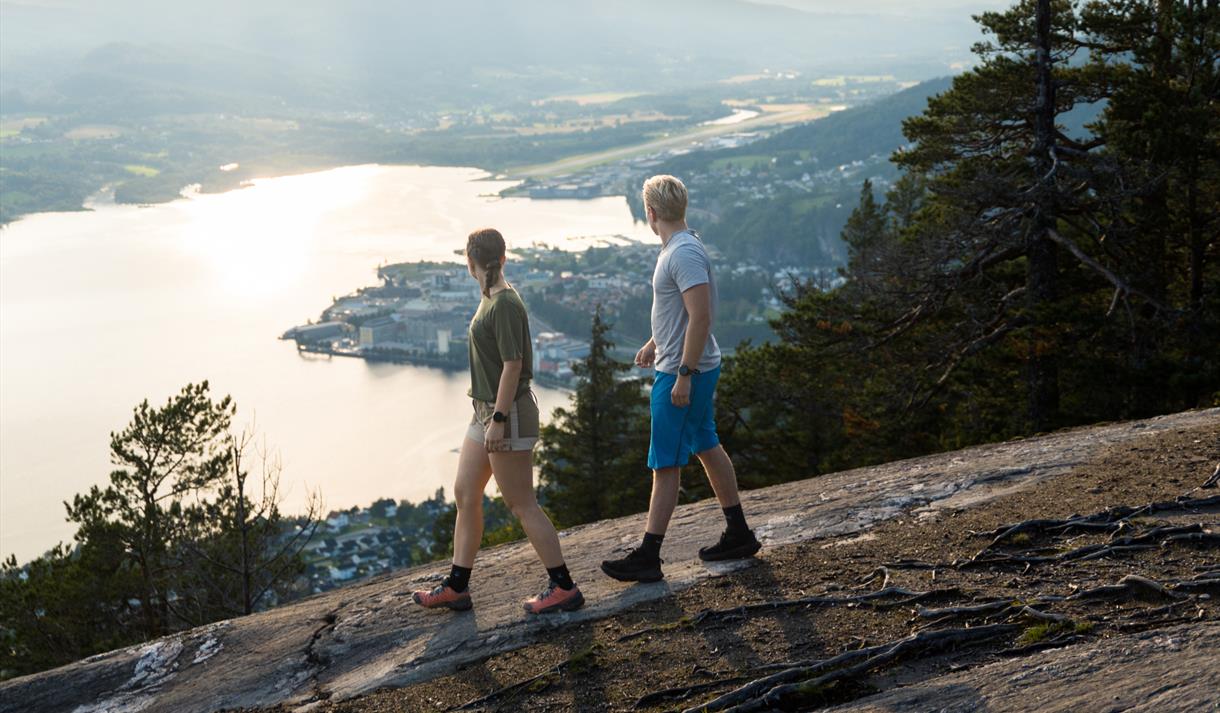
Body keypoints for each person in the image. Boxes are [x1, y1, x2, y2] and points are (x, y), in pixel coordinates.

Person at [412, 228, 584, 614]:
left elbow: (513, 365)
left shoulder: (504, 302)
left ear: (470, 263)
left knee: (521, 503)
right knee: (465, 493)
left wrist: (500, 418)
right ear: (503, 258)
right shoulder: (490, 297)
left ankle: (564, 587)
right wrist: (490, 416)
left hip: (507, 413)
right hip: (485, 412)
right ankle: (457, 587)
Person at [601, 175, 762, 583]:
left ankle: (649, 555)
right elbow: (681, 312)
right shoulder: (681, 246)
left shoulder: (682, 252)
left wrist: (684, 374)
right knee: (706, 443)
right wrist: (654, 341)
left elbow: (701, 316)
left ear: (650, 212)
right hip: (686, 363)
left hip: (682, 371)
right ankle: (739, 533)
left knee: (665, 462)